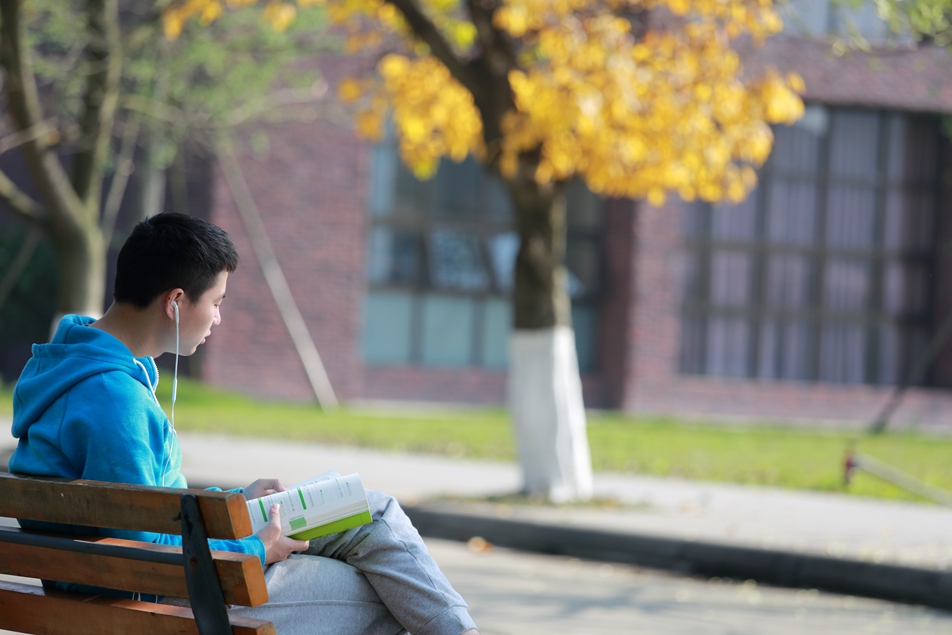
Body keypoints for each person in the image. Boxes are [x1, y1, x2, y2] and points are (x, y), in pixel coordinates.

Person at [8, 212, 479, 635]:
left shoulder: (70, 365)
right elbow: (146, 562)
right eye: (216, 301)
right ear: (174, 302)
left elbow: (144, 517)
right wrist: (256, 548)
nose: (218, 318)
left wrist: (231, 506)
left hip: (125, 583)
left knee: (371, 511)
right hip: (163, 603)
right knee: (384, 590)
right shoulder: (114, 401)